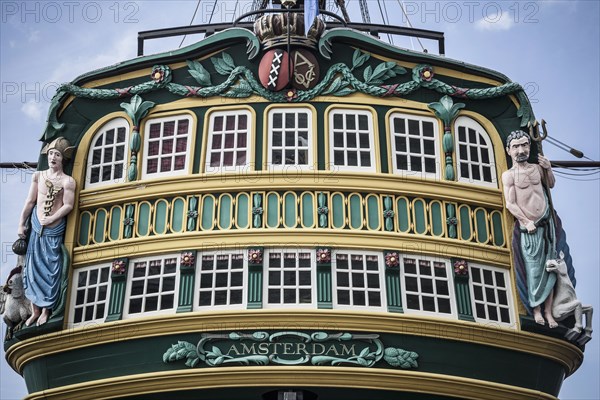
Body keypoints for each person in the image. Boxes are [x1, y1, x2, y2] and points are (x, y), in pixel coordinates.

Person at [17, 137, 76, 326]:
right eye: (51, 153)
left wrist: (52, 218)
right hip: (36, 226)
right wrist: (21, 223)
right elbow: (30, 202)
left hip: (53, 229)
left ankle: (46, 310)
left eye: (57, 154)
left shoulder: (68, 182)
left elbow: (68, 205)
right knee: (32, 269)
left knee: (50, 269)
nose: (53, 157)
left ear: (62, 159)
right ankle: (34, 310)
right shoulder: (38, 176)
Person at [502, 130, 557, 327]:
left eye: (524, 145)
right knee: (534, 270)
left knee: (550, 268)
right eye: (516, 146)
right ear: (509, 150)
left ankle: (549, 312)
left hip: (546, 223)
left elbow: (550, 185)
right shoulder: (509, 175)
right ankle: (536, 310)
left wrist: (548, 168)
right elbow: (510, 203)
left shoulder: (537, 168)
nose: (521, 150)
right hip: (530, 228)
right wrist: (526, 222)